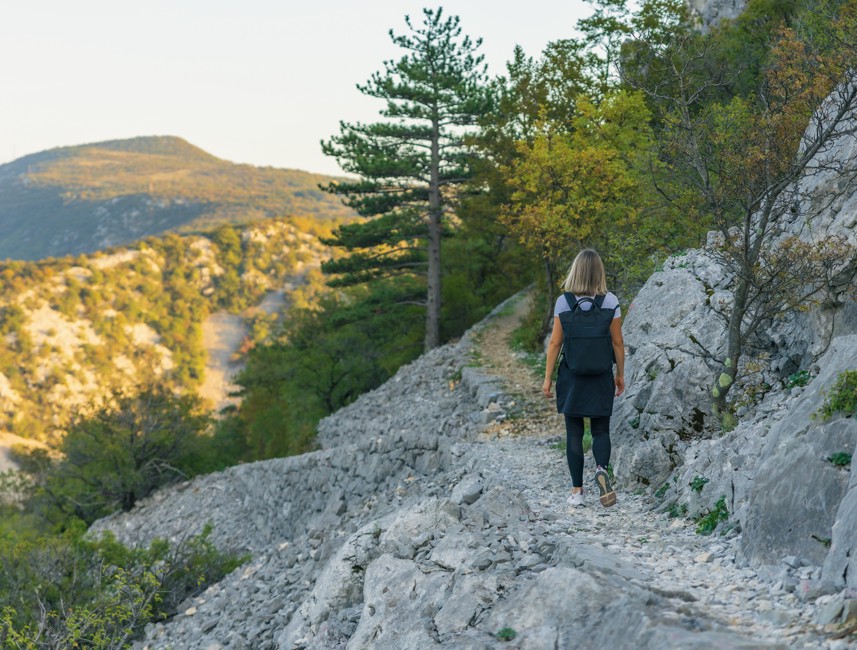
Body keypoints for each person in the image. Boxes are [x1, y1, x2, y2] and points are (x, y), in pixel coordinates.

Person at [542, 249, 625, 508]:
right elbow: (618, 342)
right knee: (601, 429)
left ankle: (577, 492)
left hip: (572, 375)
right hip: (601, 374)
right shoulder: (610, 301)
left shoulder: (564, 302)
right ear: (599, 271)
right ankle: (601, 468)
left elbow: (555, 343)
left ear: (575, 270)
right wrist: (620, 375)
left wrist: (547, 379)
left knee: (574, 433)